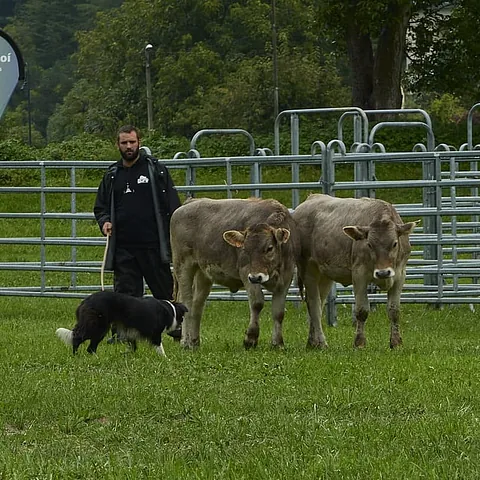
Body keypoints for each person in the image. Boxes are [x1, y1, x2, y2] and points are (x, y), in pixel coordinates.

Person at [94, 125, 181, 340]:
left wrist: (175, 235)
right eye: (124, 143)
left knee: (165, 292)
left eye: (132, 142)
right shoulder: (112, 175)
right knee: (125, 296)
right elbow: (100, 206)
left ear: (139, 142)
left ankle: (179, 330)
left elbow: (173, 204)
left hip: (153, 245)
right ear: (118, 145)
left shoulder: (156, 170)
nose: (129, 146)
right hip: (124, 248)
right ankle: (124, 334)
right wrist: (104, 222)